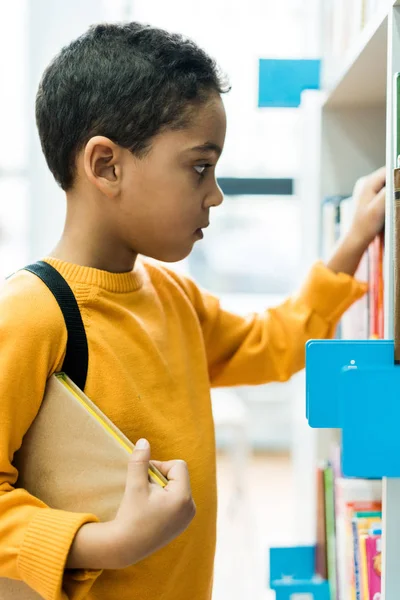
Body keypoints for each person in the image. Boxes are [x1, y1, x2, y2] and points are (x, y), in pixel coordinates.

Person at [0, 22, 385, 600]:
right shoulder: (31, 314)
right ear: (106, 166)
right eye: (199, 167)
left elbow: (275, 344)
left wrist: (352, 244)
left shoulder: (172, 296)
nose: (216, 194)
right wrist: (106, 544)